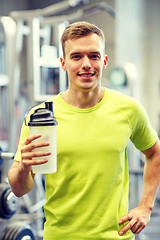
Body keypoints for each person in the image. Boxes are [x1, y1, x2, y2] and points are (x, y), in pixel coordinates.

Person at [8, 21, 160, 240]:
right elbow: (19, 189)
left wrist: (145, 207)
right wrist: (24, 167)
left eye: (94, 56)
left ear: (104, 61)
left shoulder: (129, 109)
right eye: (77, 56)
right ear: (63, 63)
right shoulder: (40, 117)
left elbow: (154, 152)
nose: (86, 64)